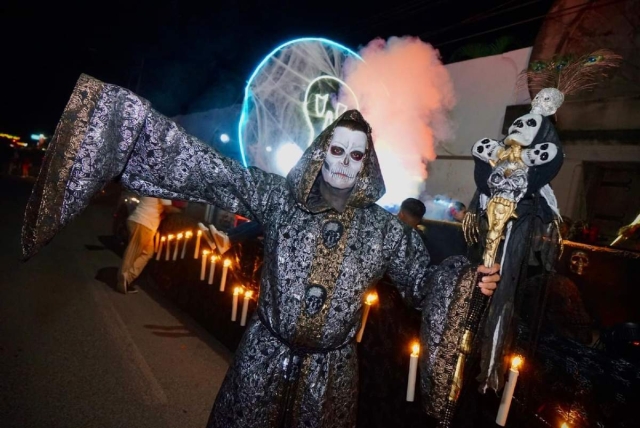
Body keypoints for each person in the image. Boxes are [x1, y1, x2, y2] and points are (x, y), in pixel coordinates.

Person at [22, 75, 500, 428]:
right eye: (337, 150)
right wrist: (124, 123)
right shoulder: (277, 197)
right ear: (321, 150)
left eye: (357, 155)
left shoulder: (383, 230)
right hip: (262, 355)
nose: (344, 163)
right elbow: (207, 169)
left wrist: (466, 283)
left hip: (331, 373)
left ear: (366, 165)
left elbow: (424, 282)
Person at [117, 196, 175, 294]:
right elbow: (168, 208)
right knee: (133, 251)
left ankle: (128, 277)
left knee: (148, 252)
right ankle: (122, 280)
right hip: (144, 223)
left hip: (139, 221)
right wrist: (180, 212)